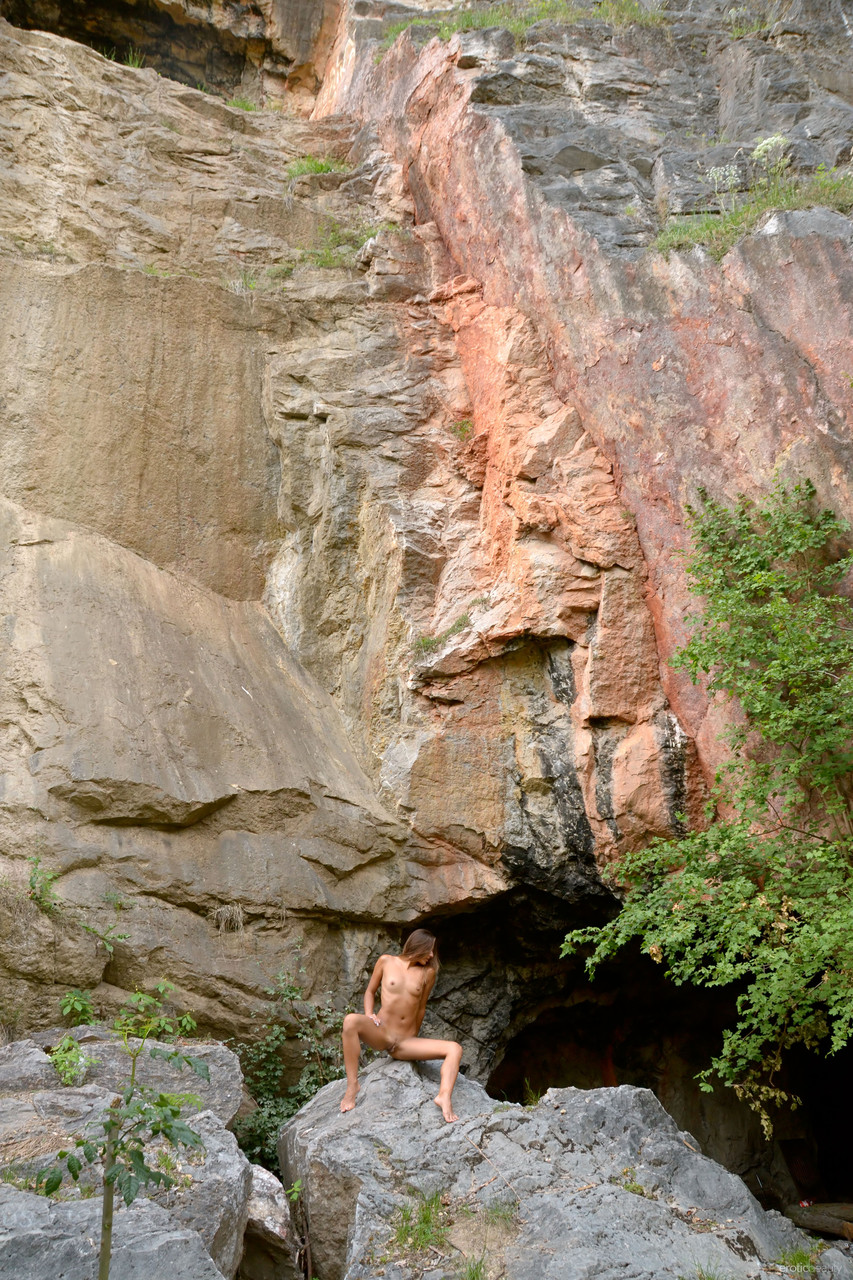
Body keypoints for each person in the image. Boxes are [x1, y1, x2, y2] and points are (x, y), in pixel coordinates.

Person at [339, 928, 463, 1122]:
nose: (432, 955)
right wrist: (369, 1014)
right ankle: (352, 1086)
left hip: (405, 1042)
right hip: (382, 1033)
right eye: (429, 950)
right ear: (418, 946)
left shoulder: (428, 973)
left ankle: (444, 1097)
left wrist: (414, 1035)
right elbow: (370, 991)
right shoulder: (386, 961)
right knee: (350, 1021)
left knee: (455, 1049)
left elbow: (421, 1008)